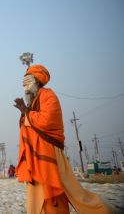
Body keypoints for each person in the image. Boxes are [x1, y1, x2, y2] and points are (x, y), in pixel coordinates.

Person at [14, 64, 116, 214]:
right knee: (39, 199)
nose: (25, 87)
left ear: (37, 81)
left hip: (50, 154)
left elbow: (47, 121)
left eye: (28, 82)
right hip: (35, 159)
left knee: (67, 192)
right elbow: (27, 126)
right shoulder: (32, 102)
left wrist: (26, 112)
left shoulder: (48, 95)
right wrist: (25, 111)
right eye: (23, 83)